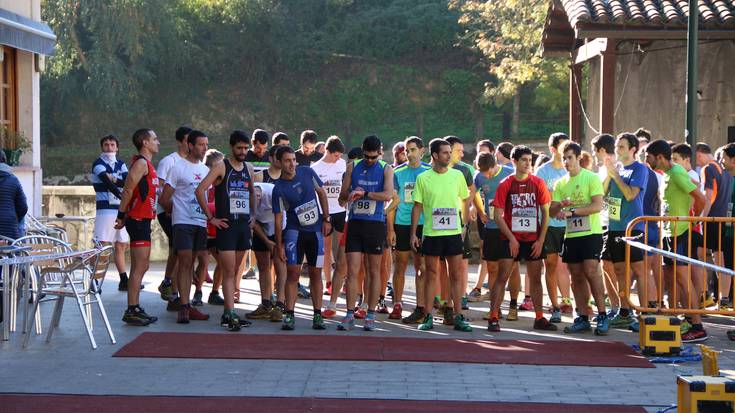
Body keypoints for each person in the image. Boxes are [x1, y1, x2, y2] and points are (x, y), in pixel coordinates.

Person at [645, 139, 708, 342]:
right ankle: (685, 319)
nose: (647, 160)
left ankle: (698, 326)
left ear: (660, 157)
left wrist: (691, 221)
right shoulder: (666, 175)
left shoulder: (678, 173)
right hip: (669, 234)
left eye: (649, 157)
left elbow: (700, 198)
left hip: (680, 233)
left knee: (683, 278)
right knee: (672, 277)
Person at [487, 145, 554, 332]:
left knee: (535, 278)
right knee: (502, 276)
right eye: (523, 160)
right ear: (514, 161)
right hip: (510, 238)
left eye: (530, 160)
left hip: (533, 238)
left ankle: (539, 317)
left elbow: (546, 213)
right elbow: (497, 216)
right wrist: (511, 239)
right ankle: (493, 316)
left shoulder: (538, 183)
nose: (528, 164)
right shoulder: (506, 184)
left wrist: (541, 240)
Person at [195, 130, 256, 331]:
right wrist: (211, 218)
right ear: (232, 147)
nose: (243, 151)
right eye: (239, 148)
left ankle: (230, 313)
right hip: (227, 227)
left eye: (246, 148)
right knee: (228, 272)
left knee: (235, 270)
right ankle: (229, 313)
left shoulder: (248, 167)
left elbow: (251, 191)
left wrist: (253, 215)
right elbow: (200, 189)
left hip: (243, 226)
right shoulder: (222, 166)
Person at [410, 138, 472, 332]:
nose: (448, 155)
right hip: (432, 233)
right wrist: (413, 233)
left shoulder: (457, 175)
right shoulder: (423, 178)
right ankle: (428, 316)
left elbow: (465, 200)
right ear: (435, 155)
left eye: (449, 152)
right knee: (431, 274)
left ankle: (458, 316)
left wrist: (464, 225)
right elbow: (417, 206)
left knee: (455, 274)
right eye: (445, 152)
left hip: (453, 233)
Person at [549, 140, 609, 335]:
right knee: (576, 276)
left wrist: (572, 211)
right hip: (572, 235)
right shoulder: (560, 183)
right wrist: (560, 207)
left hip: (591, 233)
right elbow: (551, 211)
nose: (566, 162)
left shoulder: (591, 178)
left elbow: (597, 206)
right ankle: (582, 317)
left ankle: (602, 315)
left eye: (570, 158)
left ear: (578, 158)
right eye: (563, 158)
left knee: (592, 272)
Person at [336, 135, 394, 331]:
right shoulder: (352, 167)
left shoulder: (386, 169)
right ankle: (350, 313)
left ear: (380, 152)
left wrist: (366, 194)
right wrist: (350, 194)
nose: (370, 161)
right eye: (367, 157)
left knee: (373, 271)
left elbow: (387, 195)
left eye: (373, 157)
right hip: (355, 223)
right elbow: (341, 199)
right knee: (352, 271)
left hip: (375, 224)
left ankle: (370, 314)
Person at [272, 145, 331, 330]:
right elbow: (278, 218)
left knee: (315, 273)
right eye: (288, 161)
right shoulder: (278, 188)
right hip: (294, 232)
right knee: (293, 274)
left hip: (315, 233)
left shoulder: (307, 172)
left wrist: (326, 219)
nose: (292, 164)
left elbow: (322, 193)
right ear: (279, 163)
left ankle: (317, 315)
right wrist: (279, 245)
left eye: (293, 160)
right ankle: (289, 314)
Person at [601, 133, 657, 328]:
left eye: (622, 147)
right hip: (615, 226)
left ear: (633, 149)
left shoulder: (640, 169)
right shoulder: (617, 169)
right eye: (617, 147)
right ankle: (625, 311)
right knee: (619, 270)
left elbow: (631, 195)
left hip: (633, 227)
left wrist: (615, 176)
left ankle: (643, 314)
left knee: (639, 269)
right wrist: (610, 174)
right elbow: (602, 194)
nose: (617, 150)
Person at [159, 130, 211, 324]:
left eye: (206, 144)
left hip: (200, 222)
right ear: (190, 145)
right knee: (185, 261)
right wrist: (178, 211)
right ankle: (183, 307)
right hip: (182, 223)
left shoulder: (206, 170)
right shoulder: (177, 168)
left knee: (196, 263)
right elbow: (164, 198)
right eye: (200, 144)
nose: (204, 148)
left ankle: (188, 304)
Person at [115, 129, 160, 326]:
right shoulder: (141, 163)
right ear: (144, 142)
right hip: (138, 219)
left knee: (142, 265)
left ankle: (135, 307)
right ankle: (131, 309)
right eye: (154, 139)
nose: (158, 142)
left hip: (144, 219)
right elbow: (128, 189)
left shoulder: (148, 164)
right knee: (140, 266)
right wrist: (121, 215)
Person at [387, 136, 430, 322]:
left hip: (424, 225)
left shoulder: (430, 172)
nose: (409, 153)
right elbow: (392, 203)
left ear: (422, 151)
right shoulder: (397, 172)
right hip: (402, 224)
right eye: (406, 150)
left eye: (413, 149)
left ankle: (421, 307)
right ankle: (397, 304)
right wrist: (391, 229)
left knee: (422, 267)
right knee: (400, 265)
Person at [534, 132, 572, 320]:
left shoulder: (570, 169)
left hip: (569, 224)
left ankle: (567, 301)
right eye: (562, 146)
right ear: (552, 149)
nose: (566, 151)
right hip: (548, 225)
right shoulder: (542, 171)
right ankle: (555, 305)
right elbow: (541, 197)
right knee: (550, 264)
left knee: (564, 266)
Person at [310, 136, 348, 317]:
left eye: (340, 155)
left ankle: (341, 280)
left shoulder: (343, 165)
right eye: (335, 155)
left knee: (340, 251)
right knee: (324, 250)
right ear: (327, 151)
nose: (338, 158)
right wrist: (324, 215)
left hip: (341, 212)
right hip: (324, 213)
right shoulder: (315, 168)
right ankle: (328, 282)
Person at [155, 126, 191, 303]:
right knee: (179, 248)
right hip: (168, 212)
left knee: (177, 250)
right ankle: (174, 291)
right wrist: (169, 208)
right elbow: (160, 188)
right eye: (186, 140)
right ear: (179, 142)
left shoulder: (195, 163)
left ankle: (169, 282)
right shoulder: (168, 162)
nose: (189, 144)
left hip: (186, 213)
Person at [695, 142, 734, 310]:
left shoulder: (708, 169)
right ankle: (723, 299)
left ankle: (706, 295)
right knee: (721, 260)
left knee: (701, 255)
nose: (722, 160)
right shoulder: (726, 173)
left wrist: (700, 219)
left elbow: (708, 197)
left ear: (699, 154)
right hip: (723, 222)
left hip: (712, 221)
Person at [90, 134, 131, 291]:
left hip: (120, 209)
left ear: (117, 147)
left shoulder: (121, 164)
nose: (109, 147)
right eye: (106, 144)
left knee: (121, 245)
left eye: (112, 144)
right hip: (105, 210)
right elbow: (106, 183)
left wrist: (116, 181)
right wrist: (121, 191)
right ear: (102, 147)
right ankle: (94, 281)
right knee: (103, 246)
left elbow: (128, 181)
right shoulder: (98, 163)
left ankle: (124, 280)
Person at [247, 181, 287, 322]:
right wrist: (266, 241)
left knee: (279, 262)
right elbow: (252, 222)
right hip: (261, 228)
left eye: (257, 201)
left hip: (280, 225)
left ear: (259, 195)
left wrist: (277, 243)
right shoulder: (246, 198)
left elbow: (280, 218)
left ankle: (280, 305)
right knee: (263, 266)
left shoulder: (272, 193)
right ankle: (265, 303)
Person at [0, 150, 27, 240]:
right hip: (9, 228)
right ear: (4, 160)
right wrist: (15, 219)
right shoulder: (13, 180)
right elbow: (23, 207)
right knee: (12, 251)